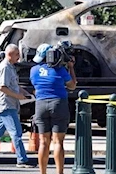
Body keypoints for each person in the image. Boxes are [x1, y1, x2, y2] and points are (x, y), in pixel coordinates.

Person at [30, 43, 77, 174]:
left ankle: (43, 172)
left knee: (43, 142)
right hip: (58, 103)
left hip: (40, 104)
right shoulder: (60, 70)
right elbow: (72, 86)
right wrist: (71, 68)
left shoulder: (33, 71)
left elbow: (35, 85)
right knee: (58, 142)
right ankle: (59, 172)